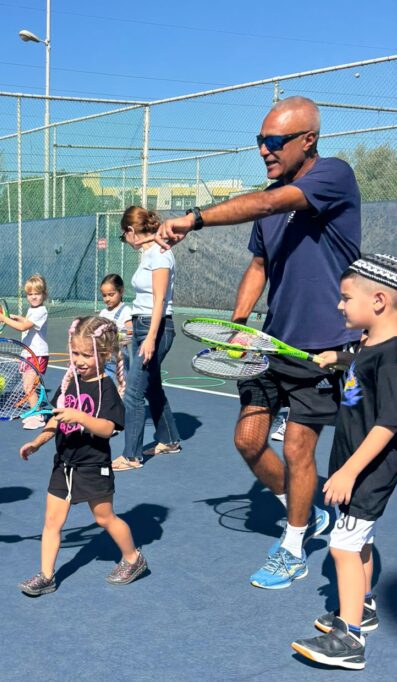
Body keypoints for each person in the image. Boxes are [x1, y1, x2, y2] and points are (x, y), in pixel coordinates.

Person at [156, 96, 362, 588]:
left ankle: (293, 547)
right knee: (248, 441)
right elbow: (259, 265)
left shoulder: (333, 176)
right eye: (259, 142)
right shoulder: (271, 200)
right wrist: (238, 325)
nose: (265, 151)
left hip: (323, 349)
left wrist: (195, 218)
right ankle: (305, 513)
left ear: (307, 140)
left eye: (275, 142)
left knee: (297, 446)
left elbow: (271, 202)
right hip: (270, 345)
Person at [291, 254, 397, 670]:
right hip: (355, 464)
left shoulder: (393, 357)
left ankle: (349, 639)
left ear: (378, 301)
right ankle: (364, 607)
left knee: (342, 545)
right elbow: (357, 362)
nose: (339, 306)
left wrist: (350, 471)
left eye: (345, 298)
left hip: (369, 469)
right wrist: (335, 359)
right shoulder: (369, 345)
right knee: (360, 539)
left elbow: (389, 423)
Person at [17, 316, 146, 596]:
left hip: (92, 465)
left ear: (105, 354)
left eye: (87, 354)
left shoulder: (107, 389)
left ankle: (134, 559)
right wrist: (39, 440)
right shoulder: (69, 383)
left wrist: (80, 416)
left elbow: (107, 428)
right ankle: (47, 576)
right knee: (52, 522)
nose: (79, 360)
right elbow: (56, 419)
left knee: (104, 518)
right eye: (75, 353)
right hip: (63, 464)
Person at [112, 207, 181, 472]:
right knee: (152, 388)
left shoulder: (161, 255)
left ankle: (131, 456)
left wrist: (150, 337)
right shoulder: (150, 253)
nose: (125, 241)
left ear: (130, 231)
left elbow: (160, 300)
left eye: (123, 236)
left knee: (133, 393)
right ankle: (169, 439)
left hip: (156, 329)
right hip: (143, 326)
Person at [0, 273, 50, 430]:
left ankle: (37, 415)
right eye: (30, 294)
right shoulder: (32, 310)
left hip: (37, 354)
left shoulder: (41, 311)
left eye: (37, 294)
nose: (33, 297)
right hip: (29, 353)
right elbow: (24, 321)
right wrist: (9, 316)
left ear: (44, 294)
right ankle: (35, 411)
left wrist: (5, 319)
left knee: (29, 386)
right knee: (27, 386)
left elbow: (23, 326)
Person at [99, 272, 132, 381]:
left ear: (121, 291)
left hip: (118, 357)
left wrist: (114, 338)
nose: (107, 299)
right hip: (104, 356)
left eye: (111, 294)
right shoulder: (103, 313)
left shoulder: (125, 311)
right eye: (104, 295)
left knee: (119, 383)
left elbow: (130, 332)